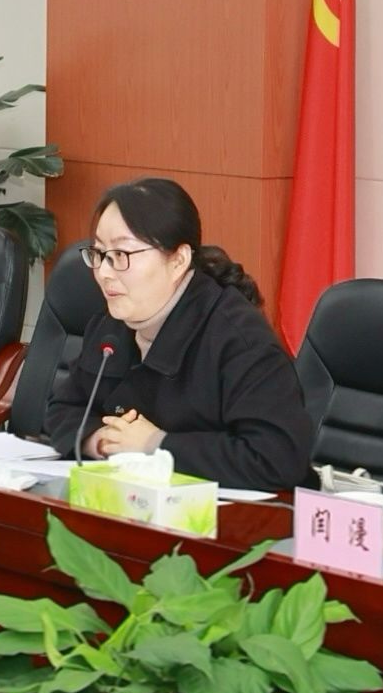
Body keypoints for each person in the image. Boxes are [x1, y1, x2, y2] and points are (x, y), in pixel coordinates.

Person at [26, 176, 311, 489]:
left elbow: (276, 458)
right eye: (100, 253)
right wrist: (101, 440)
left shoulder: (239, 340)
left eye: (121, 255)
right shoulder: (114, 324)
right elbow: (62, 408)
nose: (104, 272)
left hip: (224, 512)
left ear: (178, 261)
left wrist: (156, 445)